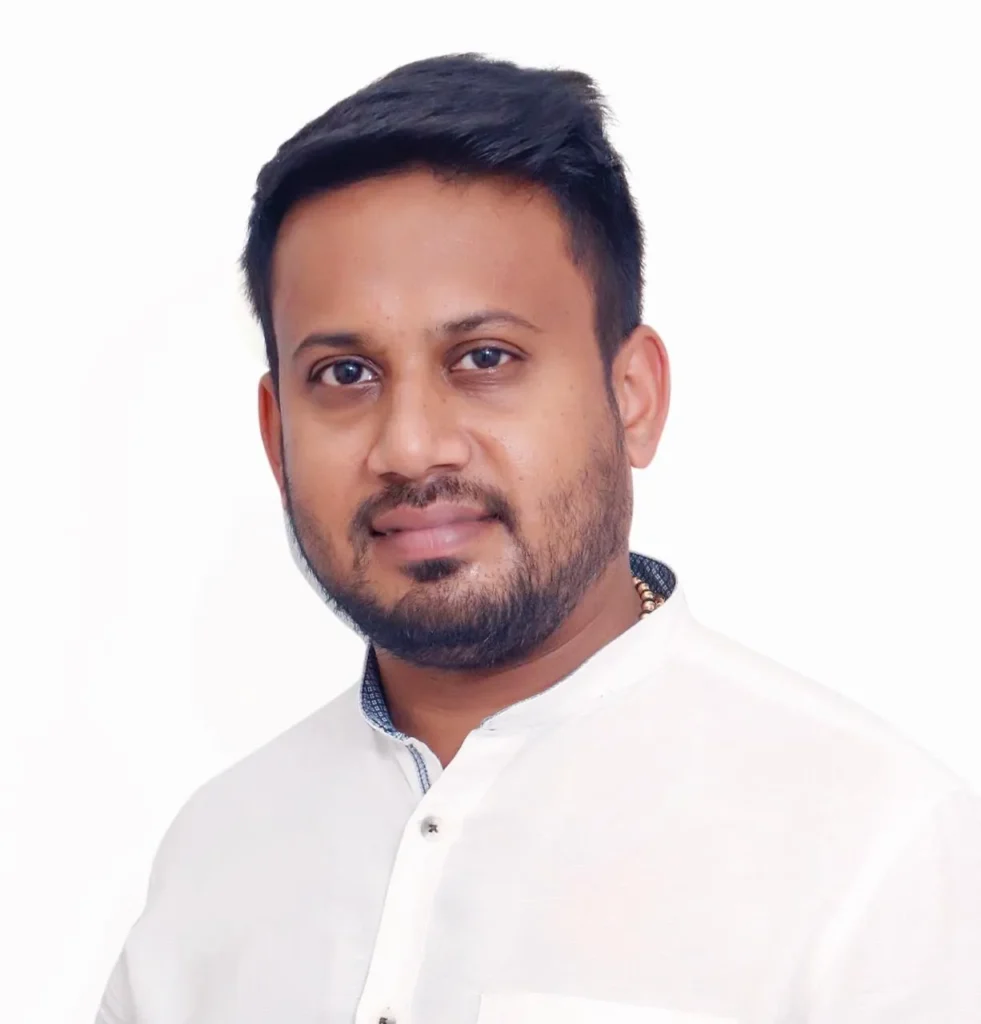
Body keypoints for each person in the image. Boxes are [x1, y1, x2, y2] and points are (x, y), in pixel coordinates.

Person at [96, 53, 981, 1024]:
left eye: (485, 357)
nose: (410, 446)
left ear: (632, 397)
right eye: (346, 375)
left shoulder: (873, 857)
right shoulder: (215, 860)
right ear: (277, 437)